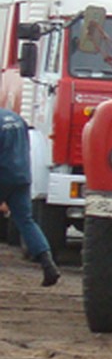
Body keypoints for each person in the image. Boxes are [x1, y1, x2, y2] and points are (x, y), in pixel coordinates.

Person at [0, 108, 60, 287]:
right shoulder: (17, 119)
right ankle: (48, 264)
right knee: (26, 221)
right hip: (22, 176)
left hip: (2, 175)